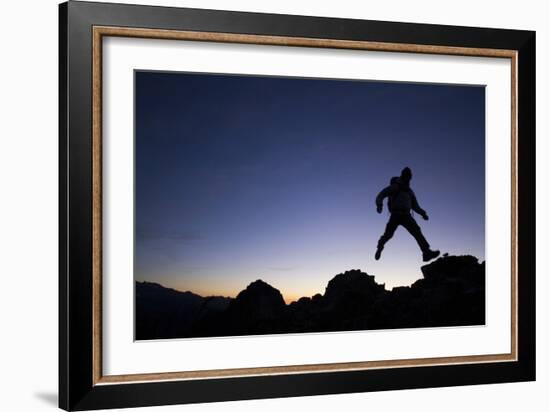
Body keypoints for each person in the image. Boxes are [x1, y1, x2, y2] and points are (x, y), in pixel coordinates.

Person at [375, 167, 440, 262]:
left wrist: (423, 214)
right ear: (402, 175)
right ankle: (380, 246)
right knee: (388, 235)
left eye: (409, 176)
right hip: (395, 215)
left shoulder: (410, 191)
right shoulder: (395, 187)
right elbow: (381, 195)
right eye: (406, 175)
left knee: (417, 231)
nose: (408, 178)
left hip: (406, 215)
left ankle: (426, 253)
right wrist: (379, 205)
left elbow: (415, 206)